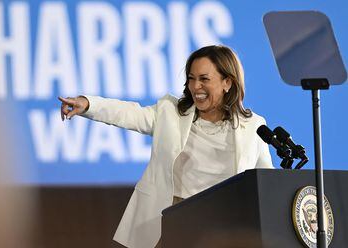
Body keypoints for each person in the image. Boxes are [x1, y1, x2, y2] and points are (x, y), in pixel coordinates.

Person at [59, 45, 273, 248]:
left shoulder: (253, 126)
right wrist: (89, 104)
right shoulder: (171, 112)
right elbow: (130, 113)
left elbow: (267, 182)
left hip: (224, 223)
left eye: (204, 79)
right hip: (175, 215)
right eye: (191, 79)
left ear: (227, 82)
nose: (196, 86)